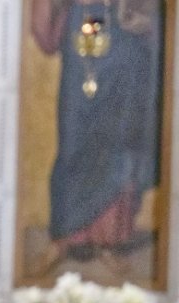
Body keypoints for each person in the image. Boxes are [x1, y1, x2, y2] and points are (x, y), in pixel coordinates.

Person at [31, 0, 162, 265]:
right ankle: (66, 234)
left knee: (117, 140)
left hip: (125, 33)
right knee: (73, 137)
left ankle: (108, 240)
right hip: (80, 27)